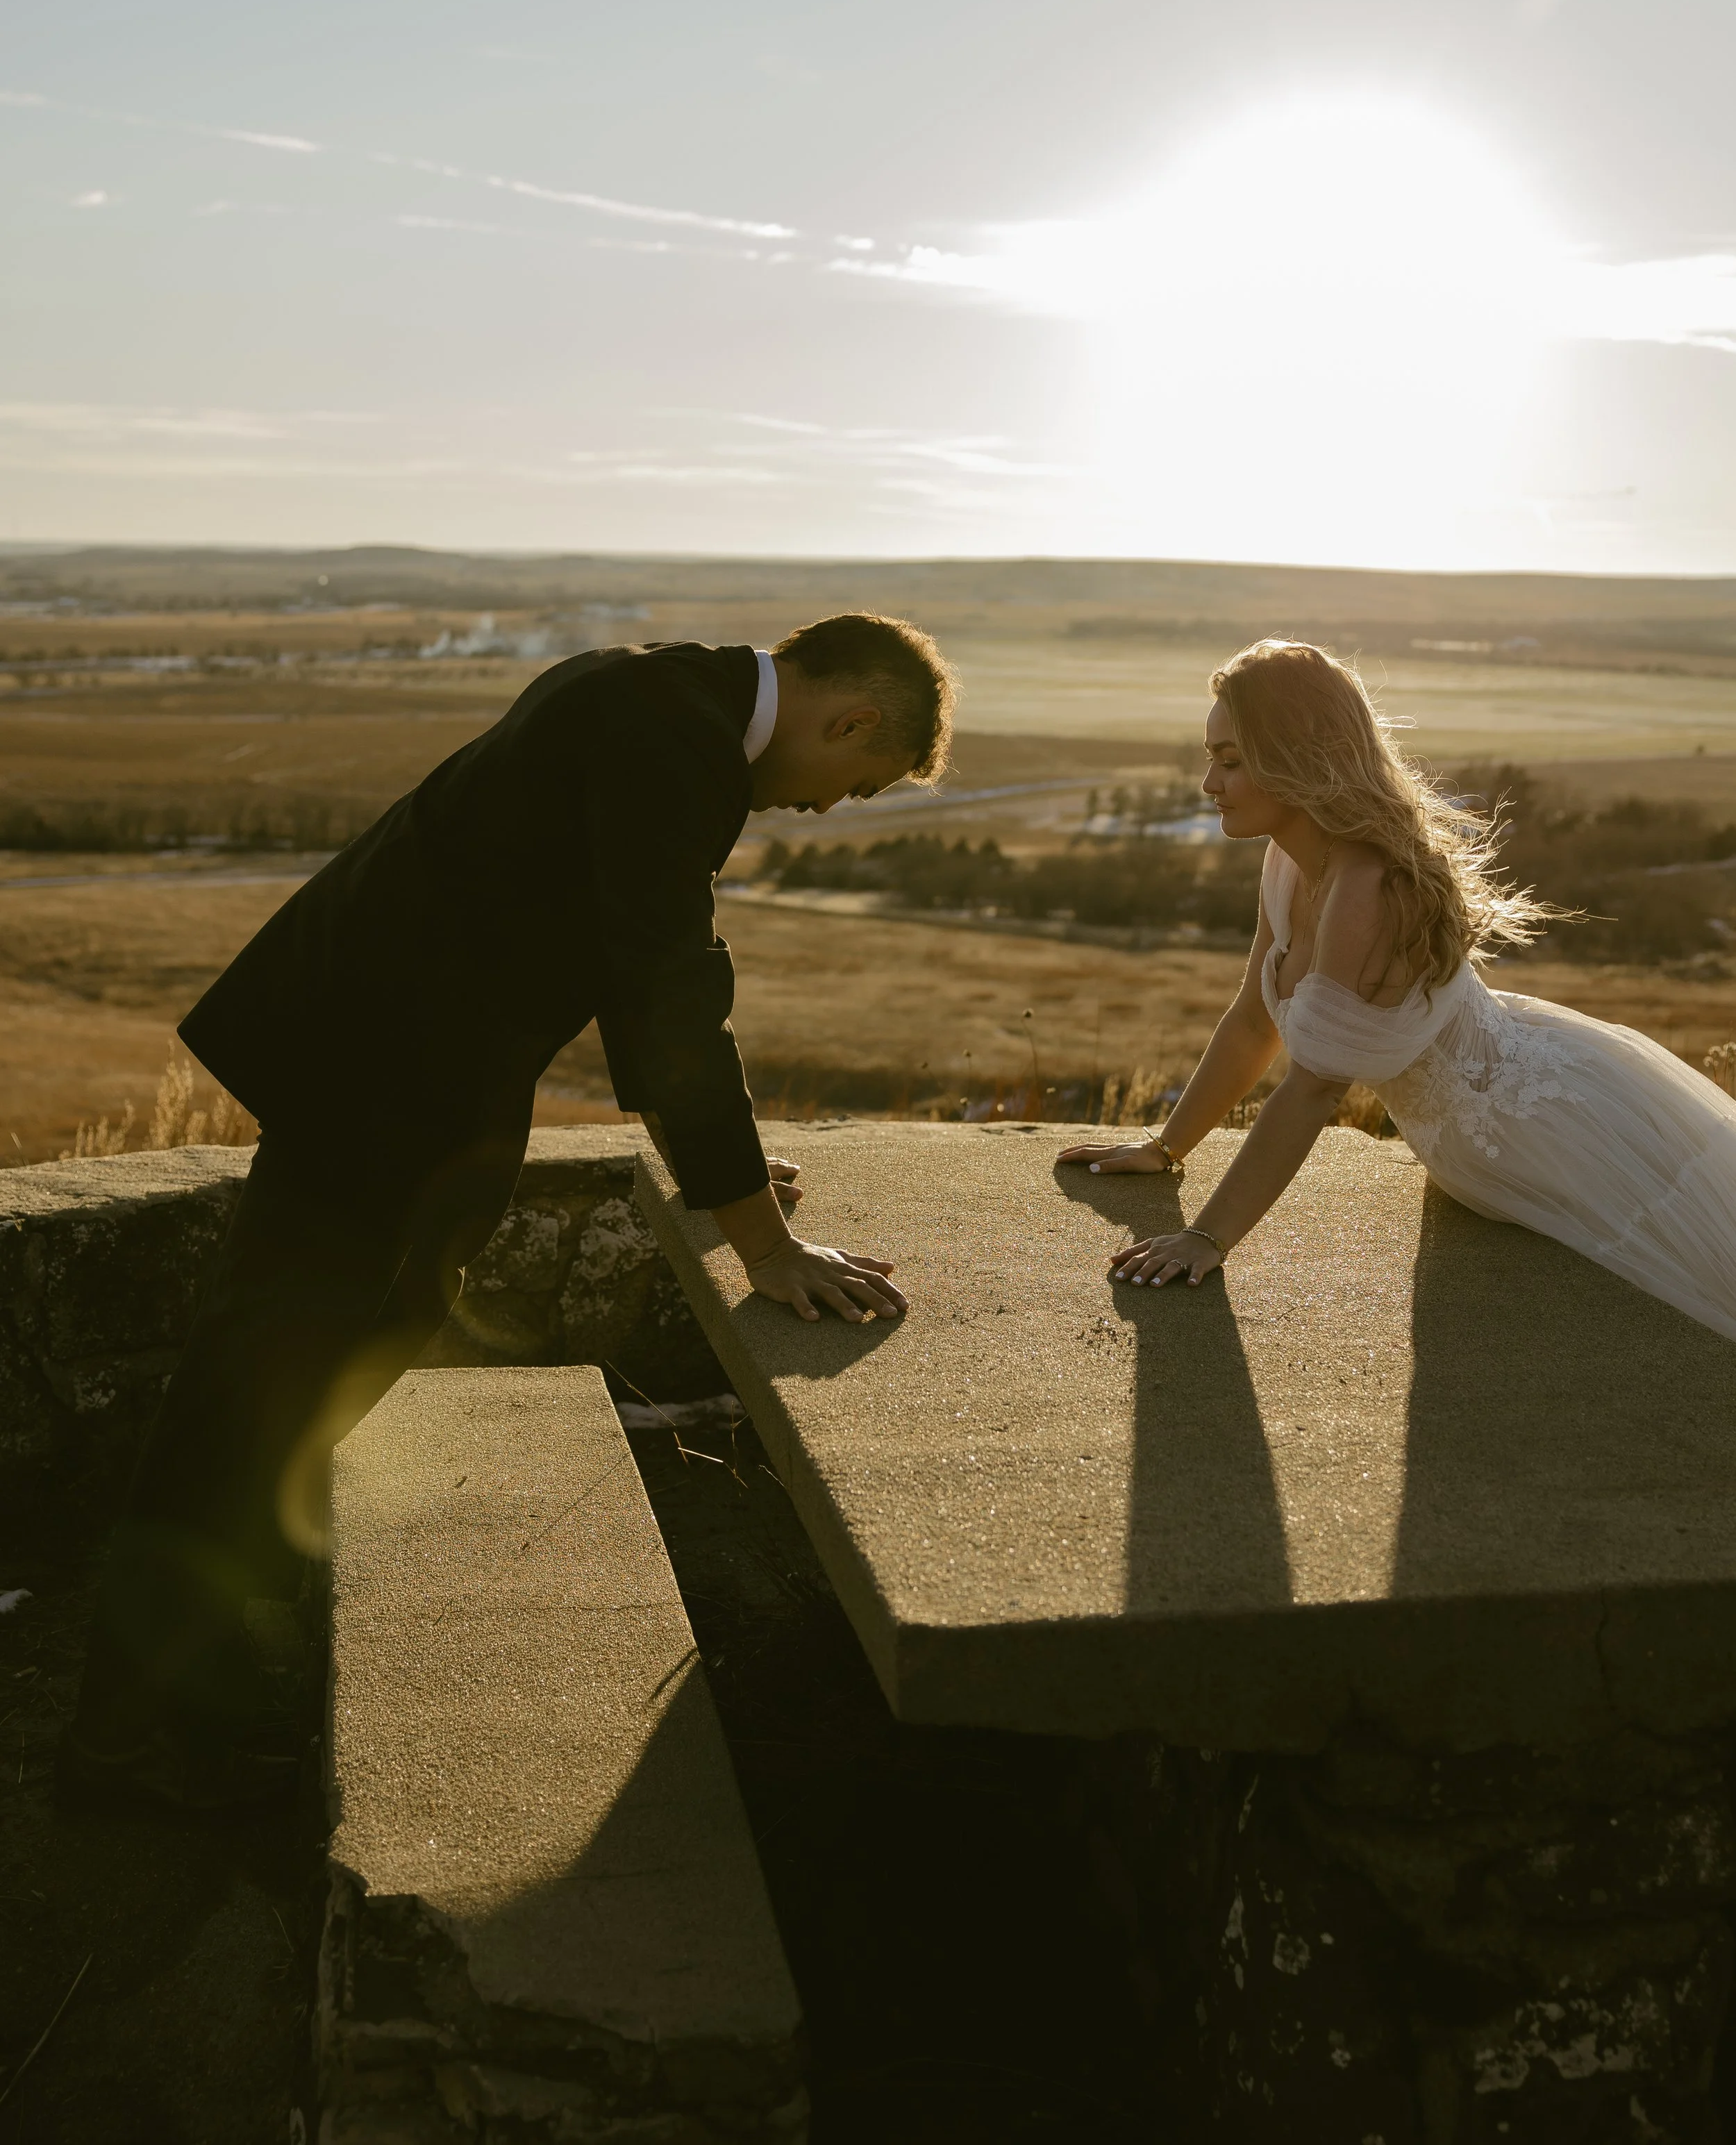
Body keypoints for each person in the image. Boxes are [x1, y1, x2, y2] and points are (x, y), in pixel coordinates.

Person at [65, 613, 953, 1810]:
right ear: (853, 719)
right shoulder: (671, 740)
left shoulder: (659, 690)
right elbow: (665, 992)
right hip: (370, 1081)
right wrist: (762, 1239)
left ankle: (234, 1600)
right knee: (251, 1383)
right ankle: (126, 1739)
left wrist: (727, 1178)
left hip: (425, 1081)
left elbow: (604, 939)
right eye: (858, 783)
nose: (830, 807)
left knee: (382, 1318)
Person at [1060, 638, 1736, 1337]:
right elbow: (1252, 1022)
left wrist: (1206, 1237)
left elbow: (1316, 1087)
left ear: (1297, 761)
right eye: (1211, 758)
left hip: (1546, 1133)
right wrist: (1165, 1147)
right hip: (1470, 1153)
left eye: (1230, 761)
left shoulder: (1365, 887)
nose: (1209, 783)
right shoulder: (1289, 862)